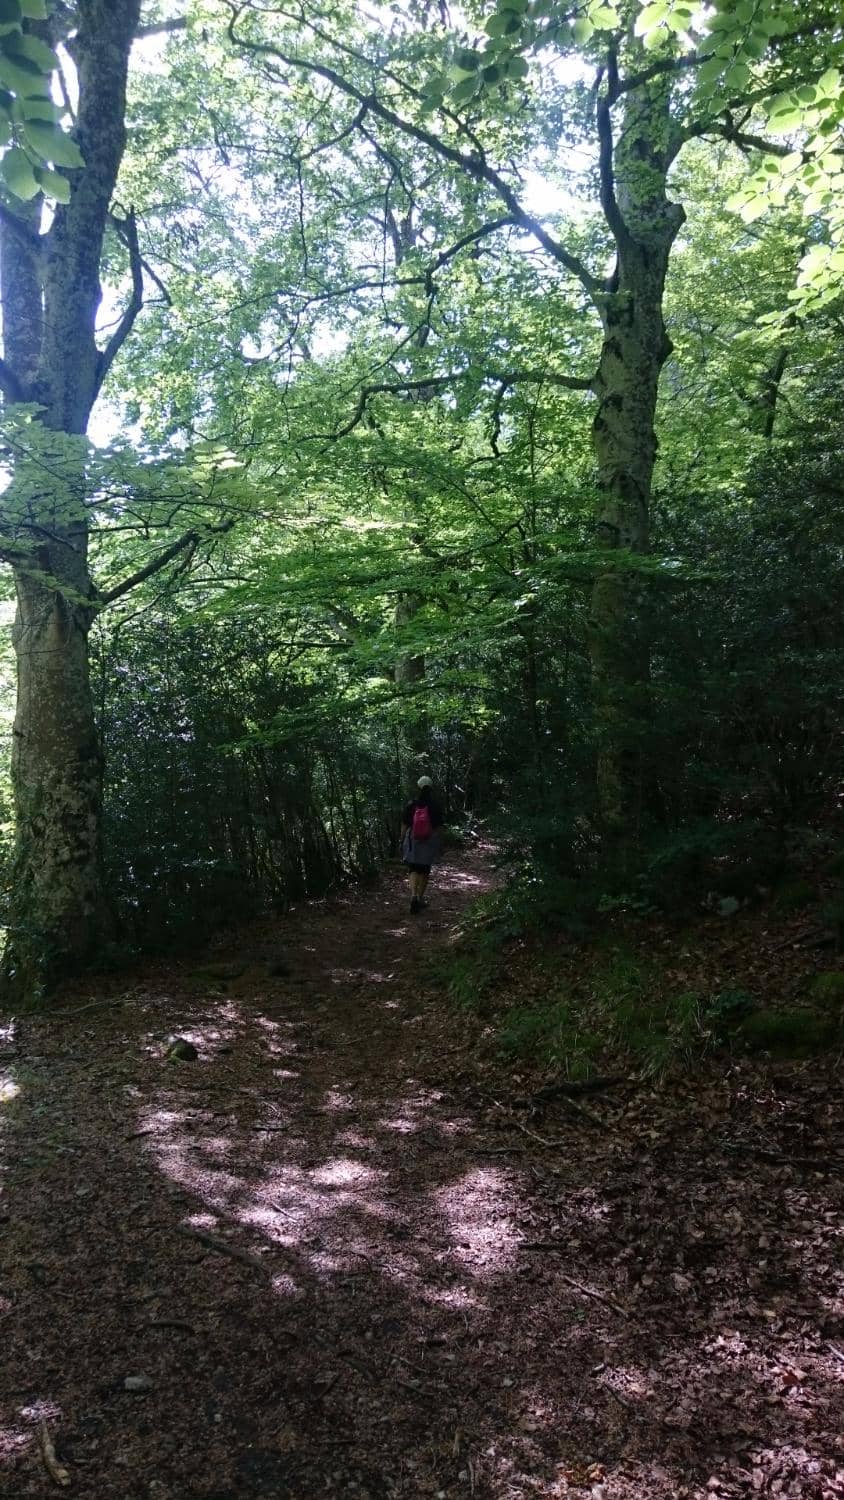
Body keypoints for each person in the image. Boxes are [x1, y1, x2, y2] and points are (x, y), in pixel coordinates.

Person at [400, 776, 443, 914]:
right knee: (425, 869)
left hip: (413, 839)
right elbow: (438, 827)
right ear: (431, 788)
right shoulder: (435, 805)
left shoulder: (412, 804)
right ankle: (420, 897)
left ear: (418, 787)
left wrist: (402, 840)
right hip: (429, 839)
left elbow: (405, 824)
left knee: (413, 868)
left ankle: (413, 895)